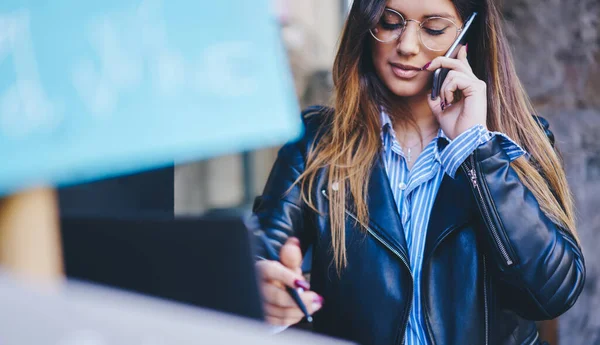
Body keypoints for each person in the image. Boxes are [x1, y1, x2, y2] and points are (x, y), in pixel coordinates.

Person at [252, 0, 586, 344]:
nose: (407, 46)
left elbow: (552, 295)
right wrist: (264, 284)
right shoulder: (317, 142)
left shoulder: (515, 141)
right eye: (389, 22)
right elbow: (261, 251)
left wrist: (476, 151)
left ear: (469, 34)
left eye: (434, 28)